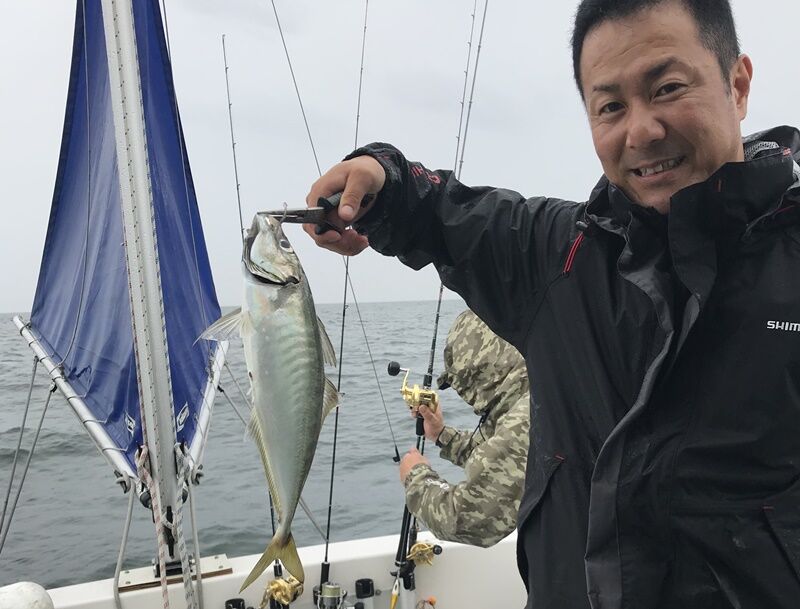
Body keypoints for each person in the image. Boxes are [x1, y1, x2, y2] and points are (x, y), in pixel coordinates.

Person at [304, 1, 800, 607]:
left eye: (668, 88)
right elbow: (439, 211)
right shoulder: (556, 256)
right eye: (610, 106)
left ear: (737, 85)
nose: (641, 131)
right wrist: (380, 181)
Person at [398, 309, 529, 548]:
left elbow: (467, 520)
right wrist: (441, 434)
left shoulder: (527, 415)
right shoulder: (532, 395)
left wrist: (415, 476)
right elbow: (505, 460)